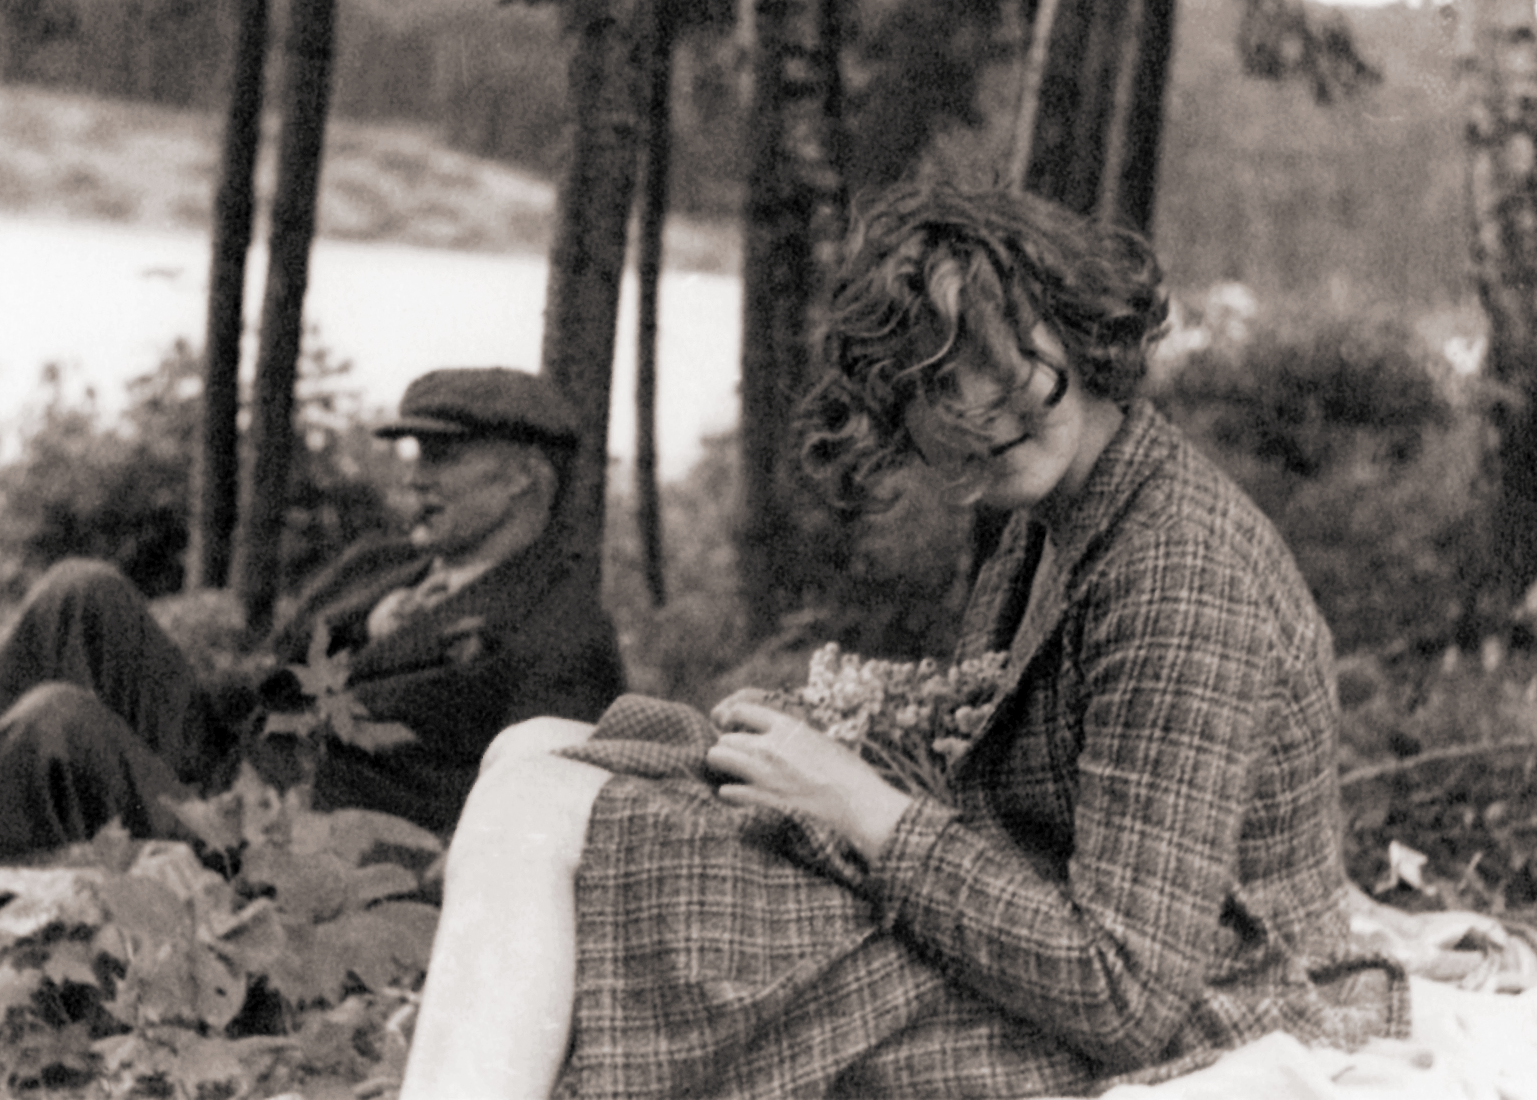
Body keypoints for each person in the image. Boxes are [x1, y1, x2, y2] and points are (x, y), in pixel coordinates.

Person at [399, 185, 1407, 1099]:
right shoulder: (1060, 522)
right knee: (532, 746)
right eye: (934, 383)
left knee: (551, 816)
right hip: (1045, 934)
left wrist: (858, 807)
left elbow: (1128, 995)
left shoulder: (1175, 573)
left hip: (1205, 1007)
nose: (979, 404)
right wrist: (832, 757)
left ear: (1077, 323)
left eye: (1002, 349)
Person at [0, 367, 626, 859]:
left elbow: (542, 818)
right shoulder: (383, 567)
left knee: (57, 720)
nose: (413, 475)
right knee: (79, 592)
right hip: (232, 769)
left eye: (442, 456)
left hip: (285, 848)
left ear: (524, 480)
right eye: (413, 451)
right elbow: (267, 679)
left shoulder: (562, 633)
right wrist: (367, 630)